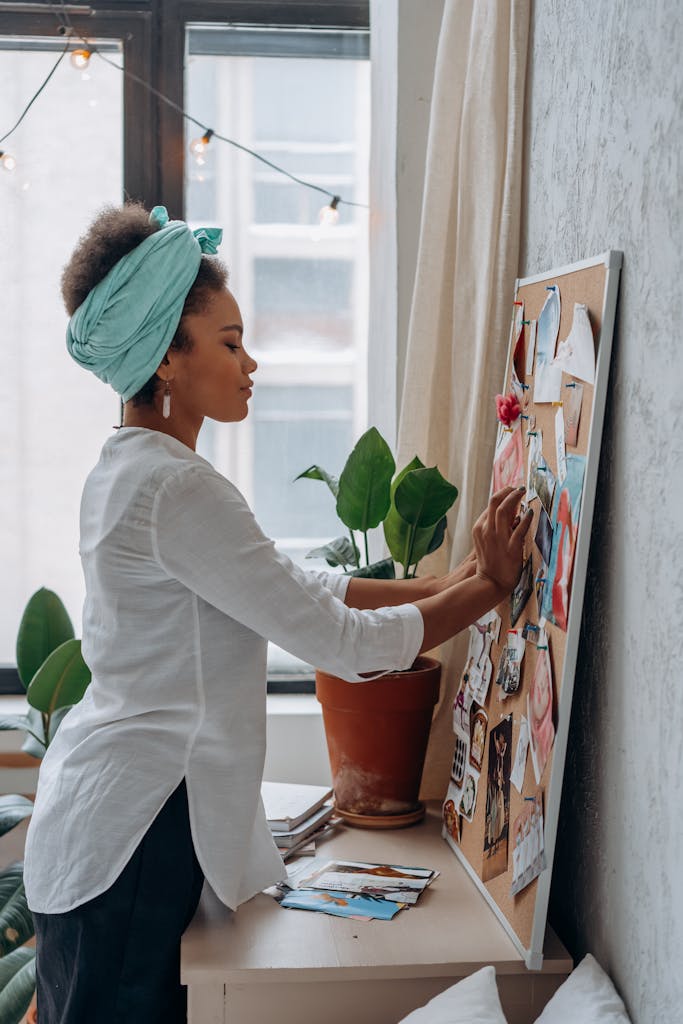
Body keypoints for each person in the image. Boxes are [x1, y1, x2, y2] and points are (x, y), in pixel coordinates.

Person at [23, 201, 533, 1023]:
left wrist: (459, 576)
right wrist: (487, 592)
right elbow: (337, 639)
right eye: (229, 344)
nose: (250, 363)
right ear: (165, 361)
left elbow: (302, 589)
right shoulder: (173, 488)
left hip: (99, 821)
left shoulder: (128, 470)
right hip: (132, 839)